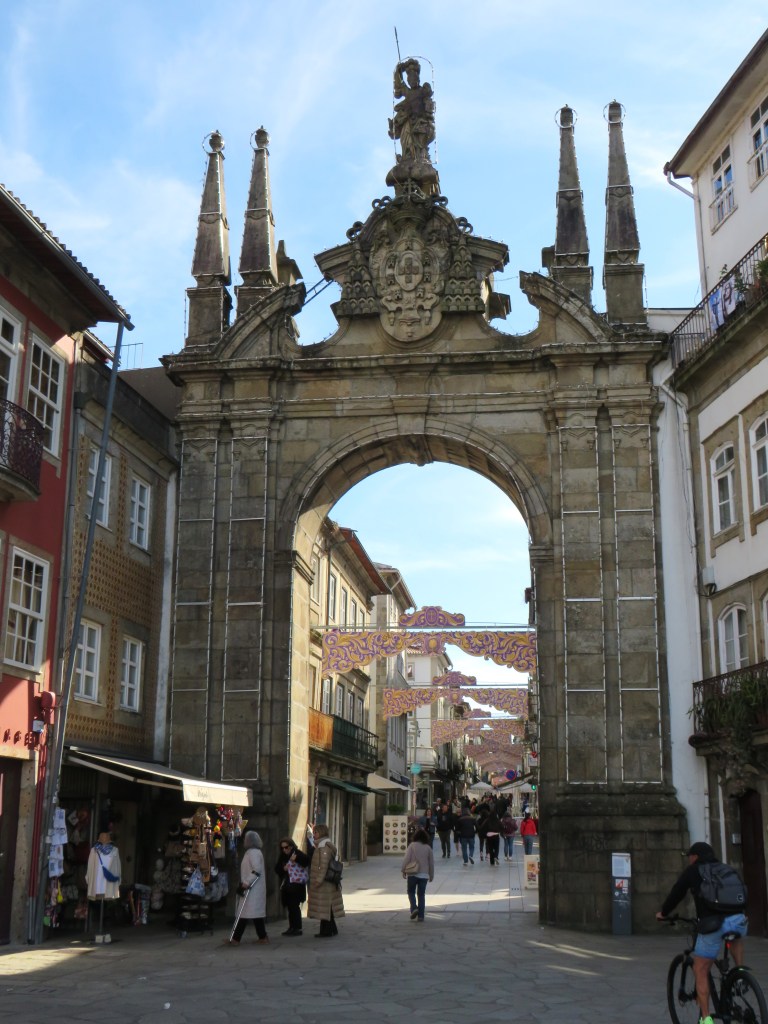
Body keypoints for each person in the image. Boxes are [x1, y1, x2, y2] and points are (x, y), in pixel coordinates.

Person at [656, 842, 748, 1024]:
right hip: (739, 920)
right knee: (734, 936)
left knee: (700, 969)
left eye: (690, 856)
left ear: (695, 857)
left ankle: (706, 1019)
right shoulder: (726, 868)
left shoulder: (693, 871)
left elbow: (677, 893)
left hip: (713, 924)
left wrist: (664, 913)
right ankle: (740, 974)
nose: (689, 859)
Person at [226, 830, 268, 946]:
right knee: (251, 913)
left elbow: (256, 869)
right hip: (251, 888)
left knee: (244, 913)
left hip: (252, 887)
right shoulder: (252, 852)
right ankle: (262, 936)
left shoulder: (254, 853)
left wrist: (247, 882)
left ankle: (236, 939)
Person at [307, 824, 345, 938]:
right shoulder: (322, 846)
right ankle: (331, 929)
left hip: (324, 884)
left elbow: (323, 866)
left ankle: (326, 931)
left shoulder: (323, 847)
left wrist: (318, 881)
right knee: (327, 908)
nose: (314, 834)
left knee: (324, 908)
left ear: (322, 833)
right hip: (326, 882)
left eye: (316, 832)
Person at [274, 836, 309, 936]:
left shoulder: (297, 853)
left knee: (294, 906)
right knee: (290, 906)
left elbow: (306, 861)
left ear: (291, 846)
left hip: (296, 885)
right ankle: (291, 927)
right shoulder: (282, 856)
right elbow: (277, 869)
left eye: (286, 847)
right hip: (287, 885)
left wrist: (296, 859)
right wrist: (283, 868)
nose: (284, 850)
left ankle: (297, 928)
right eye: (282, 848)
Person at [401, 828, 434, 922]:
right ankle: (421, 916)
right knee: (421, 895)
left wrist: (403, 870)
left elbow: (406, 859)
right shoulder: (428, 848)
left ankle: (414, 908)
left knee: (411, 892)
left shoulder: (412, 846)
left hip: (412, 873)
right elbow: (431, 863)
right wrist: (431, 875)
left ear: (415, 837)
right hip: (424, 875)